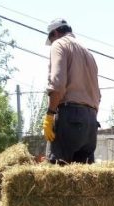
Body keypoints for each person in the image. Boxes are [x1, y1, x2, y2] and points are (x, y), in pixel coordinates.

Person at [42, 18, 101, 164]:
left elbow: (58, 85)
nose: (51, 41)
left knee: (58, 177)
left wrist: (50, 115)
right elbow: (97, 95)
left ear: (55, 33)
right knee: (82, 180)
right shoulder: (88, 52)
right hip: (91, 123)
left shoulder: (59, 44)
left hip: (70, 118)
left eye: (51, 38)